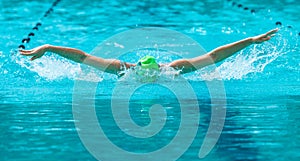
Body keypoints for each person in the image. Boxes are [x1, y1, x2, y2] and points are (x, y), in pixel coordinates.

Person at [19, 28, 278, 76]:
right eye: (147, 72)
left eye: (152, 73)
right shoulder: (122, 70)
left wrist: (250, 40)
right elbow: (83, 57)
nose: (150, 76)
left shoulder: (175, 69)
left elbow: (214, 56)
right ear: (139, 68)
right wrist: (49, 47)